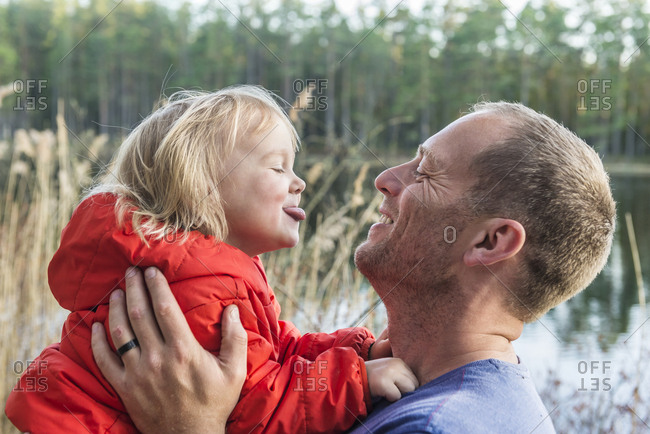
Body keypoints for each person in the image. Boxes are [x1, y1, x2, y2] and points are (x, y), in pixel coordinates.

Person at [90, 101, 616, 433]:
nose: (385, 178)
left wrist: (189, 428)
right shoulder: (411, 387)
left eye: (425, 171)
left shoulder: (435, 427)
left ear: (490, 241)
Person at [5, 86, 418, 433]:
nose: (300, 182)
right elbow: (252, 409)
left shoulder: (204, 269)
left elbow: (273, 351)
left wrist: (356, 348)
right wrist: (356, 381)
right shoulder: (194, 287)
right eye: (278, 168)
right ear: (201, 188)